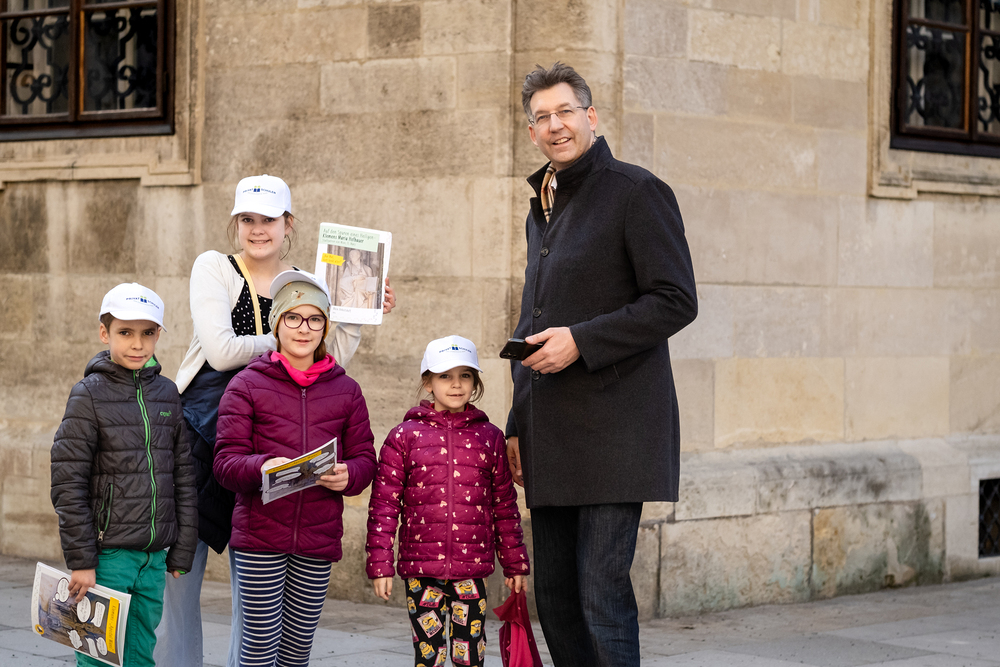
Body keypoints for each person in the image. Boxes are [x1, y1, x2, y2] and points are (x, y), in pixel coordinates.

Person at [154, 174, 396, 667]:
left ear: (289, 223)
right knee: (177, 578)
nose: (258, 229)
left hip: (271, 443)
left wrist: (357, 314)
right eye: (247, 219)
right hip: (200, 438)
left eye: (269, 219)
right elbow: (221, 352)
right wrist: (291, 336)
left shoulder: (308, 279)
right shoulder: (214, 266)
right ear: (235, 223)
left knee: (255, 590)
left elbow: (329, 360)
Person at [505, 63, 698, 666]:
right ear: (531, 131)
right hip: (551, 432)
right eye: (542, 117)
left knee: (600, 596)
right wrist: (516, 422)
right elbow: (534, 318)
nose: (555, 126)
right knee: (557, 600)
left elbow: (676, 299)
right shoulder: (542, 203)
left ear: (590, 116)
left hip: (616, 433)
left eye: (566, 112)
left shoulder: (637, 191)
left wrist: (582, 341)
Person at [213, 270, 377, 667]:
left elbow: (365, 459)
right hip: (260, 537)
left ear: (325, 327)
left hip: (317, 539)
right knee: (258, 649)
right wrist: (262, 466)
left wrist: (349, 475)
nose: (304, 328)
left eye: (315, 319)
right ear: (277, 323)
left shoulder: (346, 390)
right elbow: (225, 464)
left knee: (297, 652)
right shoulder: (246, 385)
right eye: (293, 317)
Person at [51, 283, 197, 667]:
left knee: (139, 654)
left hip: (153, 559)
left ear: (159, 334)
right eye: (125, 332)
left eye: (147, 333)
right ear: (105, 333)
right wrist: (82, 560)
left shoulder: (167, 394)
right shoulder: (88, 394)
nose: (137, 344)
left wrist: (182, 548)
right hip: (107, 558)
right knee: (99, 657)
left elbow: (183, 475)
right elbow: (68, 481)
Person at [366, 335, 530, 667]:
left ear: (475, 381)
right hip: (421, 570)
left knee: (470, 655)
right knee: (430, 657)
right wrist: (380, 565)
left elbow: (504, 506)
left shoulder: (490, 437)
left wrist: (515, 563)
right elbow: (384, 506)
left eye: (465, 375)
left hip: (472, 569)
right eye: (445, 376)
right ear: (428, 382)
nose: (456, 384)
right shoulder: (404, 436)